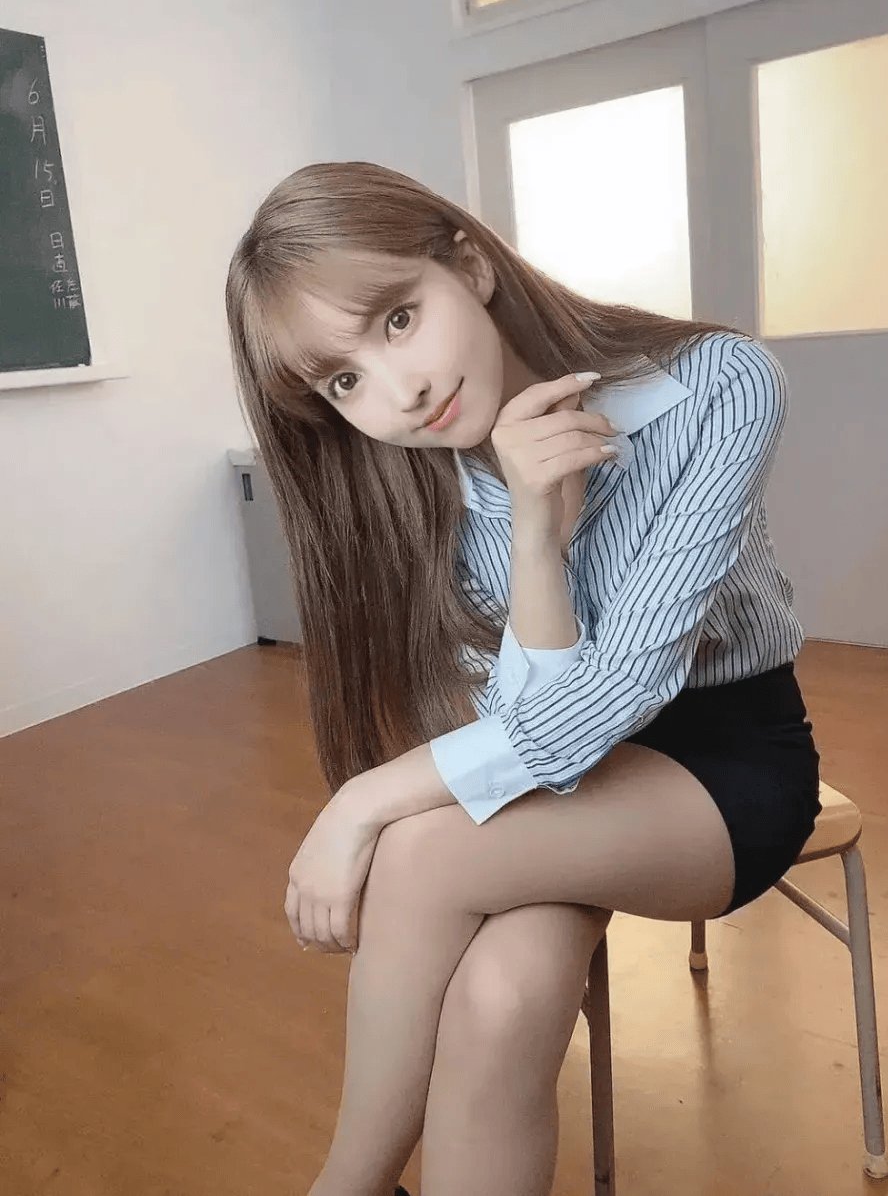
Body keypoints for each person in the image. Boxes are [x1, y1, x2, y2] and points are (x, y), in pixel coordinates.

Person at [225, 161, 822, 1196]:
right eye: (343, 382)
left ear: (469, 264)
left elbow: (619, 688)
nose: (399, 393)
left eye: (398, 320)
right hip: (550, 780)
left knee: (416, 853)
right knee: (507, 990)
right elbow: (523, 728)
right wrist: (537, 537)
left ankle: (346, 1186)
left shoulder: (719, 385)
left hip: (722, 769)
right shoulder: (426, 476)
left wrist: (362, 801)